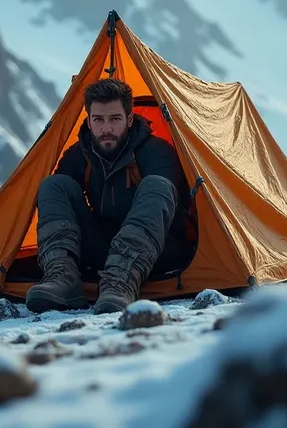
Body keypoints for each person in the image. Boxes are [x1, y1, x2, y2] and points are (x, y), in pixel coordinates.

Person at [25, 78, 192, 314]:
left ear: (129, 119)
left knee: (158, 185)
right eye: (98, 119)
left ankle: (121, 283)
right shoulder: (79, 154)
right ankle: (63, 277)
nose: (106, 129)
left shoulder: (157, 152)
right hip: (103, 248)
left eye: (115, 119)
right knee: (54, 185)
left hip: (158, 251)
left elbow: (166, 203)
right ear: (89, 121)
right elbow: (62, 207)